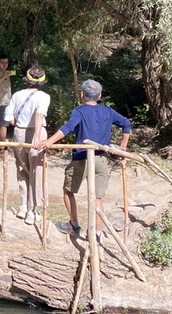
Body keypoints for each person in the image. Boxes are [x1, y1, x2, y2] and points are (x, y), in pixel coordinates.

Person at [41, 79, 131, 242]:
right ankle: (96, 233)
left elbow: (68, 127)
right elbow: (126, 124)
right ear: (100, 95)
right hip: (101, 159)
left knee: (68, 191)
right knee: (97, 197)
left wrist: (49, 141)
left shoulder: (79, 111)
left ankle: (74, 224)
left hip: (81, 158)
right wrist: (123, 146)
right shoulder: (108, 111)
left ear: (82, 95)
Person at [3, 65, 50, 225]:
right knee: (37, 170)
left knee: (22, 168)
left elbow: (9, 117)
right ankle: (33, 209)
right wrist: (37, 136)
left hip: (19, 132)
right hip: (36, 134)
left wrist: (20, 125)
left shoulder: (17, 95)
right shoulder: (43, 96)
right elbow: (39, 114)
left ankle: (23, 205)